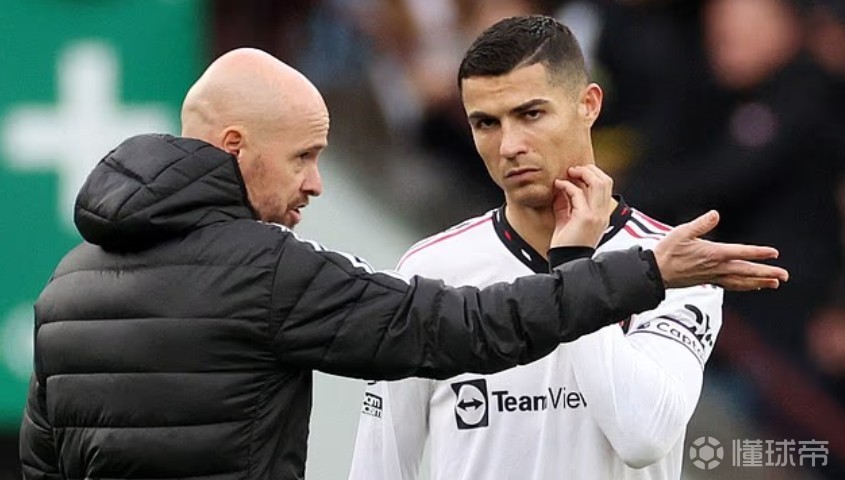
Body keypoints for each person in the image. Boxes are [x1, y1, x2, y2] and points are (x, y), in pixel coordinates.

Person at [19, 47, 786, 480]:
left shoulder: (67, 285)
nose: (316, 183)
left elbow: (42, 466)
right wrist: (633, 271)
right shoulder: (268, 269)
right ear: (234, 149)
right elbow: (459, 326)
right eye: (303, 156)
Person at [348, 15, 740, 479]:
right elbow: (379, 465)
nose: (509, 145)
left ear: (588, 104)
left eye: (530, 114)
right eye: (486, 123)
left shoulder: (675, 264)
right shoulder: (428, 270)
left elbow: (643, 436)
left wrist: (574, 266)